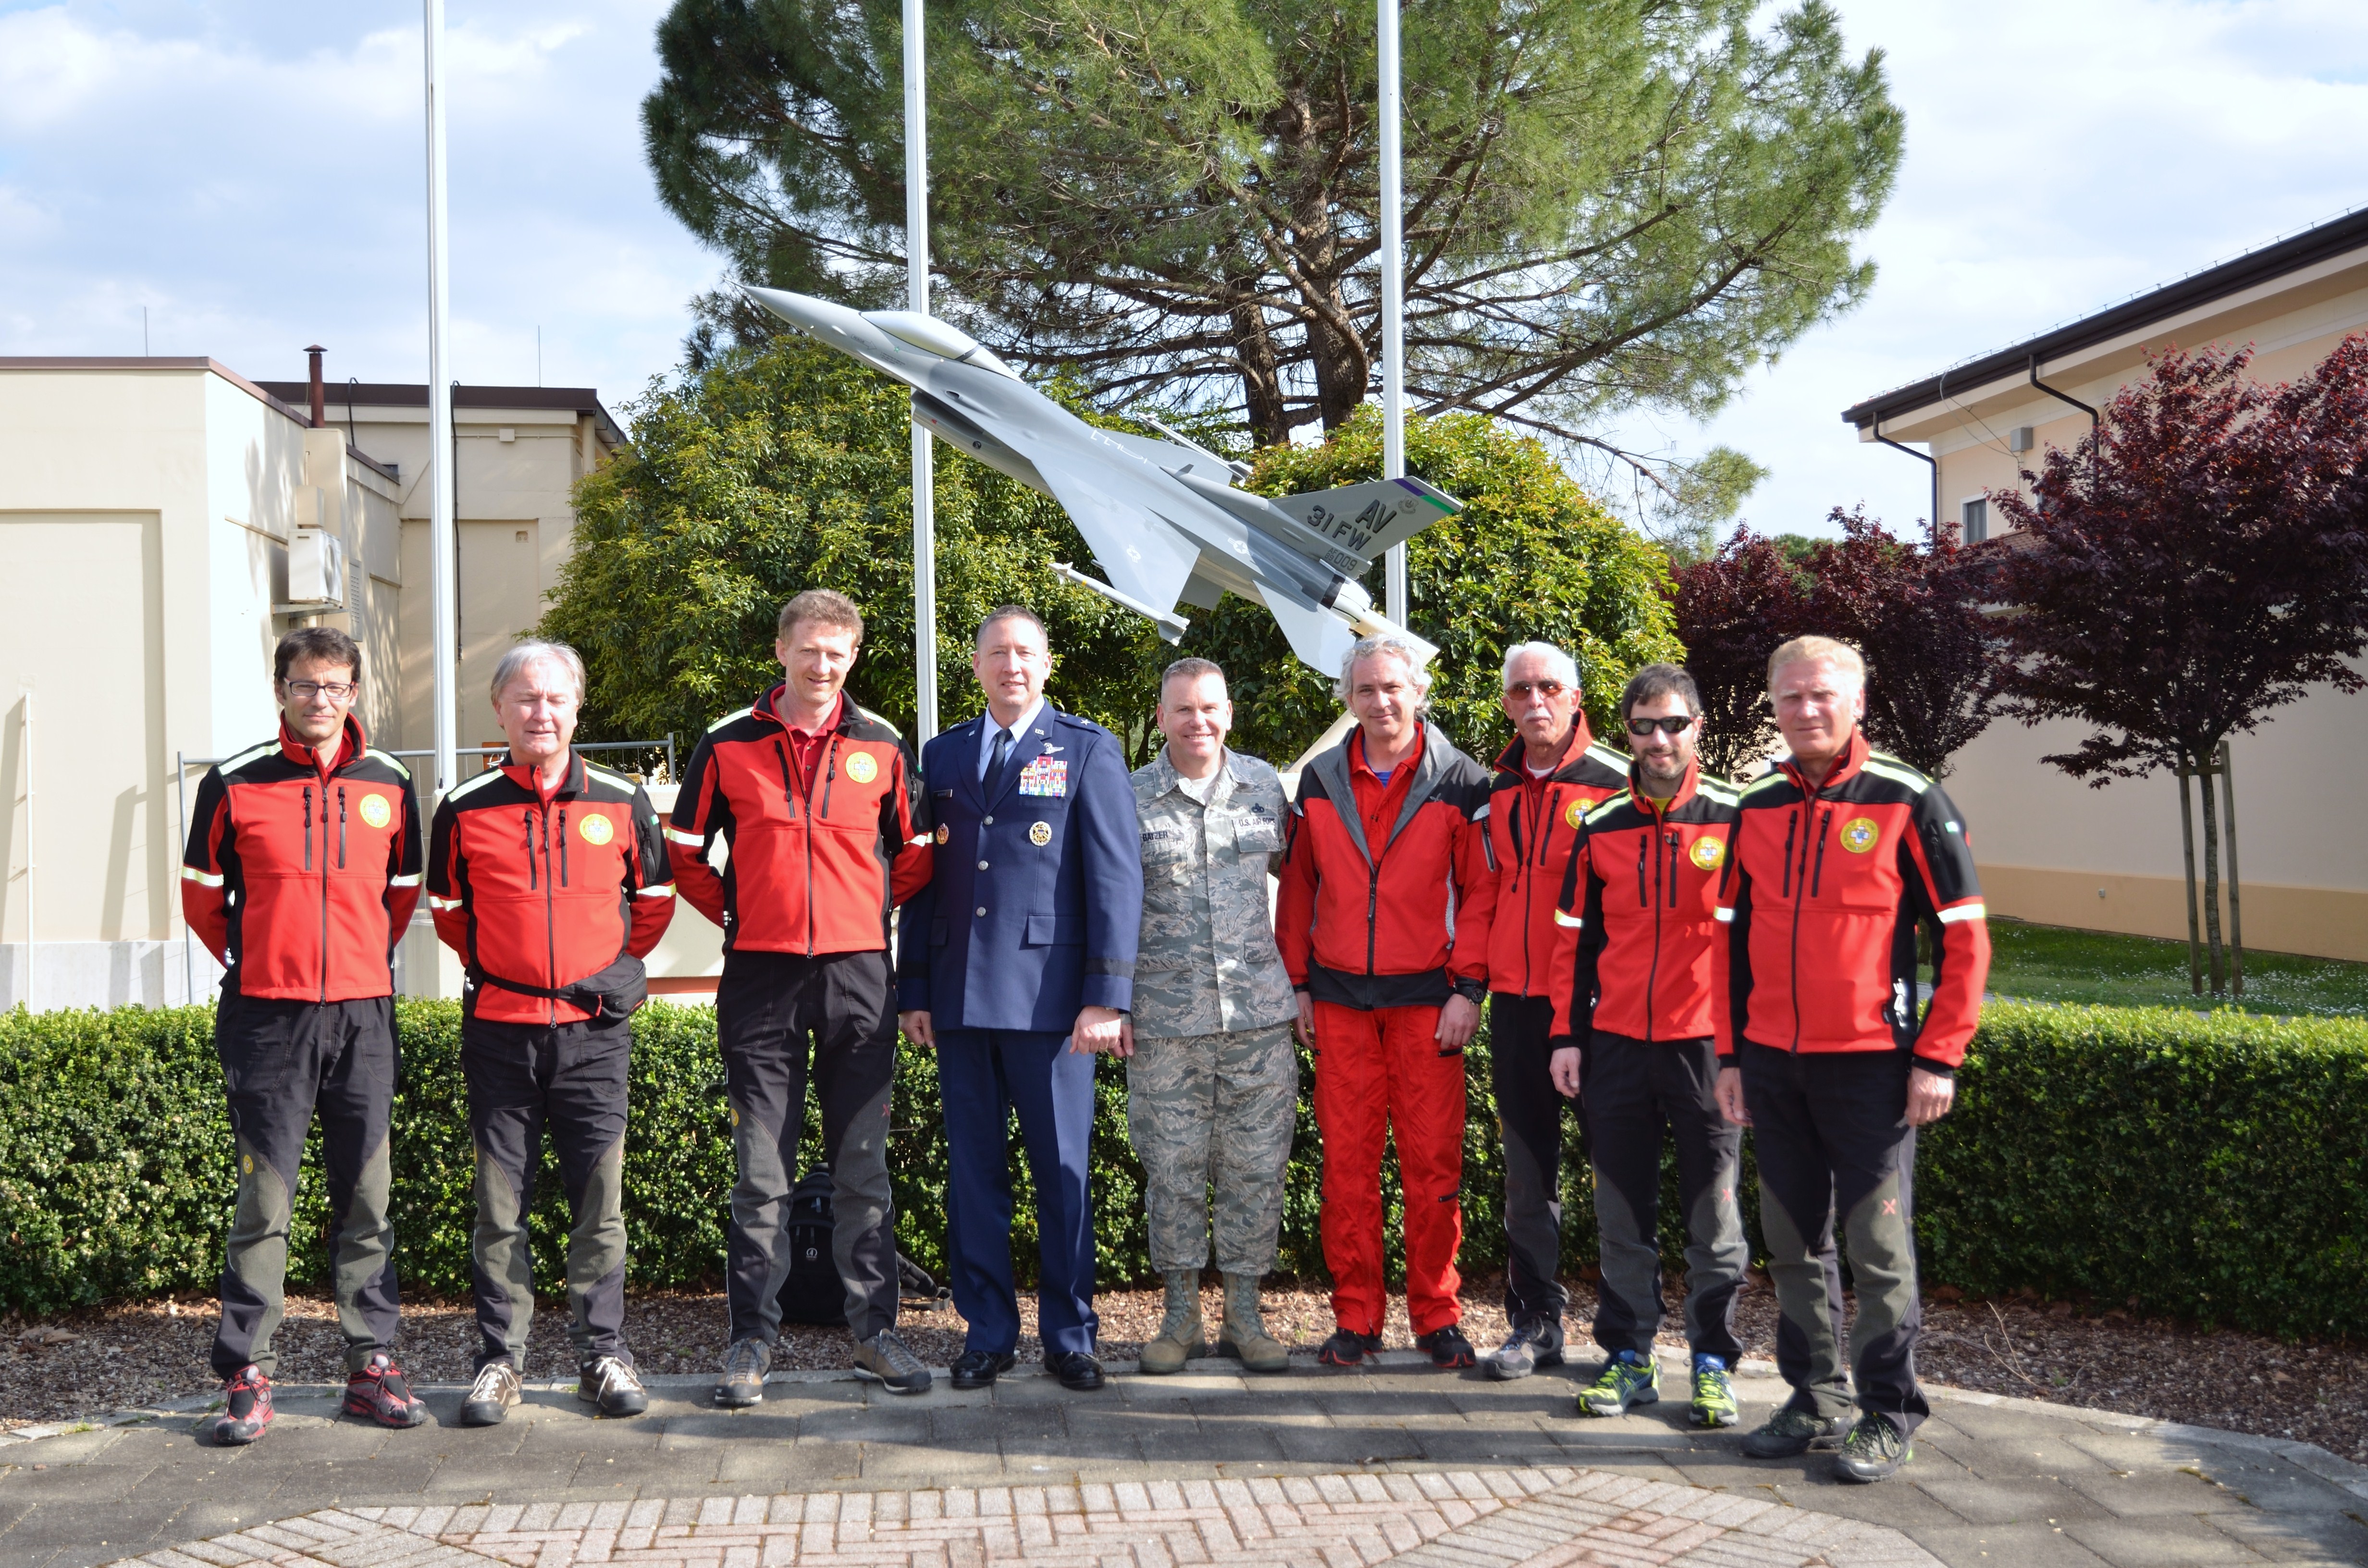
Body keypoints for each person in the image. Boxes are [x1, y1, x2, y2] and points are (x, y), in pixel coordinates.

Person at [1714, 635, 1990, 1483]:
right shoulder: (1754, 804)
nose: (1806, 710)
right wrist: (1730, 1054)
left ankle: (1888, 1409)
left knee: (1876, 1248)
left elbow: (1966, 940)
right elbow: (1731, 945)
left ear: (1857, 701)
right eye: (1791, 697)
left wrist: (1938, 1057)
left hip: (1873, 1065)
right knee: (1793, 1243)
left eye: (1822, 695)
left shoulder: (1910, 798)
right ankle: (1814, 1396)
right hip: (1773, 1063)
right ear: (1774, 703)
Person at [670, 590, 936, 1403]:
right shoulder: (726, 745)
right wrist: (744, 911)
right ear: (781, 650)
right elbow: (683, 851)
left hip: (859, 977)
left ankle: (875, 1335)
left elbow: (917, 855)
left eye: (838, 652)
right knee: (762, 1177)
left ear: (853, 657)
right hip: (761, 978)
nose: (823, 665)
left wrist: (862, 912)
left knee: (863, 1171)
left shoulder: (885, 747)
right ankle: (751, 1343)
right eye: (809, 649)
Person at [180, 626, 429, 1445]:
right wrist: (264, 960)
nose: (319, 699)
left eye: (334, 686)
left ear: (355, 693)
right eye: (303, 685)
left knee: (368, 1196)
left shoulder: (389, 783)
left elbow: (400, 898)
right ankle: (248, 1374)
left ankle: (371, 1365)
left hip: (363, 1014)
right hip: (267, 1015)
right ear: (280, 689)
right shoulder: (234, 783)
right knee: (266, 1200)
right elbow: (204, 899)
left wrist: (352, 963)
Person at [428, 639, 675, 1427]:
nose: (541, 712)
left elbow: (656, 898)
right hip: (501, 1032)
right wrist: (511, 972)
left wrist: (619, 966)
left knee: (599, 1202)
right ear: (499, 710)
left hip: (594, 1037)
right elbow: (448, 914)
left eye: (556, 699)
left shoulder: (620, 799)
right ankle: (500, 1362)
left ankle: (602, 1355)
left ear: (577, 708)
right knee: (500, 1205)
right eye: (525, 699)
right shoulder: (463, 807)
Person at [896, 606, 1143, 1393]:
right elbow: (922, 886)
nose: (1012, 665)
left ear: (1048, 663)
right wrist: (916, 990)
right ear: (974, 665)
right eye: (997, 653)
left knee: (1063, 1172)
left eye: (1026, 653)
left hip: (1053, 1006)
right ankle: (989, 1333)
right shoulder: (942, 755)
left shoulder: (1087, 748)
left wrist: (1107, 997)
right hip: (963, 1001)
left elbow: (1114, 878)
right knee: (975, 1177)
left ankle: (1070, 1336)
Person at [1275, 635, 1494, 1369]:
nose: (1381, 702)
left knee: (1433, 1170)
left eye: (1393, 688)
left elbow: (1481, 892)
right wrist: (1298, 982)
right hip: (1337, 1002)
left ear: (1418, 691)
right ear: (1347, 699)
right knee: (1347, 1169)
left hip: (1429, 1006)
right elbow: (1300, 888)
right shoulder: (1320, 779)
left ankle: (1437, 1316)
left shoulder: (1462, 780)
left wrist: (1468, 988)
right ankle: (1357, 1319)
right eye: (1365, 690)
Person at [1545, 663, 1750, 1427]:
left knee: (1714, 1216)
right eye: (1643, 726)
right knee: (1621, 1213)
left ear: (1697, 725)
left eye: (1673, 724)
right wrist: (1567, 1035)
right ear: (1624, 731)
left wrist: (1743, 1053)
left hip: (1705, 1050)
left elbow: (1759, 943)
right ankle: (1629, 1358)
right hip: (1616, 1047)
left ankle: (1712, 1363)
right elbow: (1574, 944)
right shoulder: (1600, 826)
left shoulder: (1737, 815)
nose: (1658, 739)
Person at [1122, 657, 1295, 1376]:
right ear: (1160, 718)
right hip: (1165, 1025)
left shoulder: (1264, 787)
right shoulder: (1128, 797)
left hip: (1258, 1019)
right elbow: (1106, 907)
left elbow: (1309, 884)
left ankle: (1246, 1319)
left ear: (1230, 713)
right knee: (1173, 1170)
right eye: (1183, 709)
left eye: (1211, 708)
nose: (1199, 721)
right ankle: (1180, 1317)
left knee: (1257, 1169)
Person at [1469, 641, 1629, 1380]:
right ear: (1507, 702)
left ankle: (1627, 1337)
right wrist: (1472, 982)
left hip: (1600, 1011)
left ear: (1575, 699)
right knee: (1528, 1175)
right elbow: (1484, 894)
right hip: (1520, 1007)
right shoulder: (1494, 788)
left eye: (1550, 687)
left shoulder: (1619, 786)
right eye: (1522, 689)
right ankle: (1535, 1324)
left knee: (1617, 1173)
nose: (1536, 700)